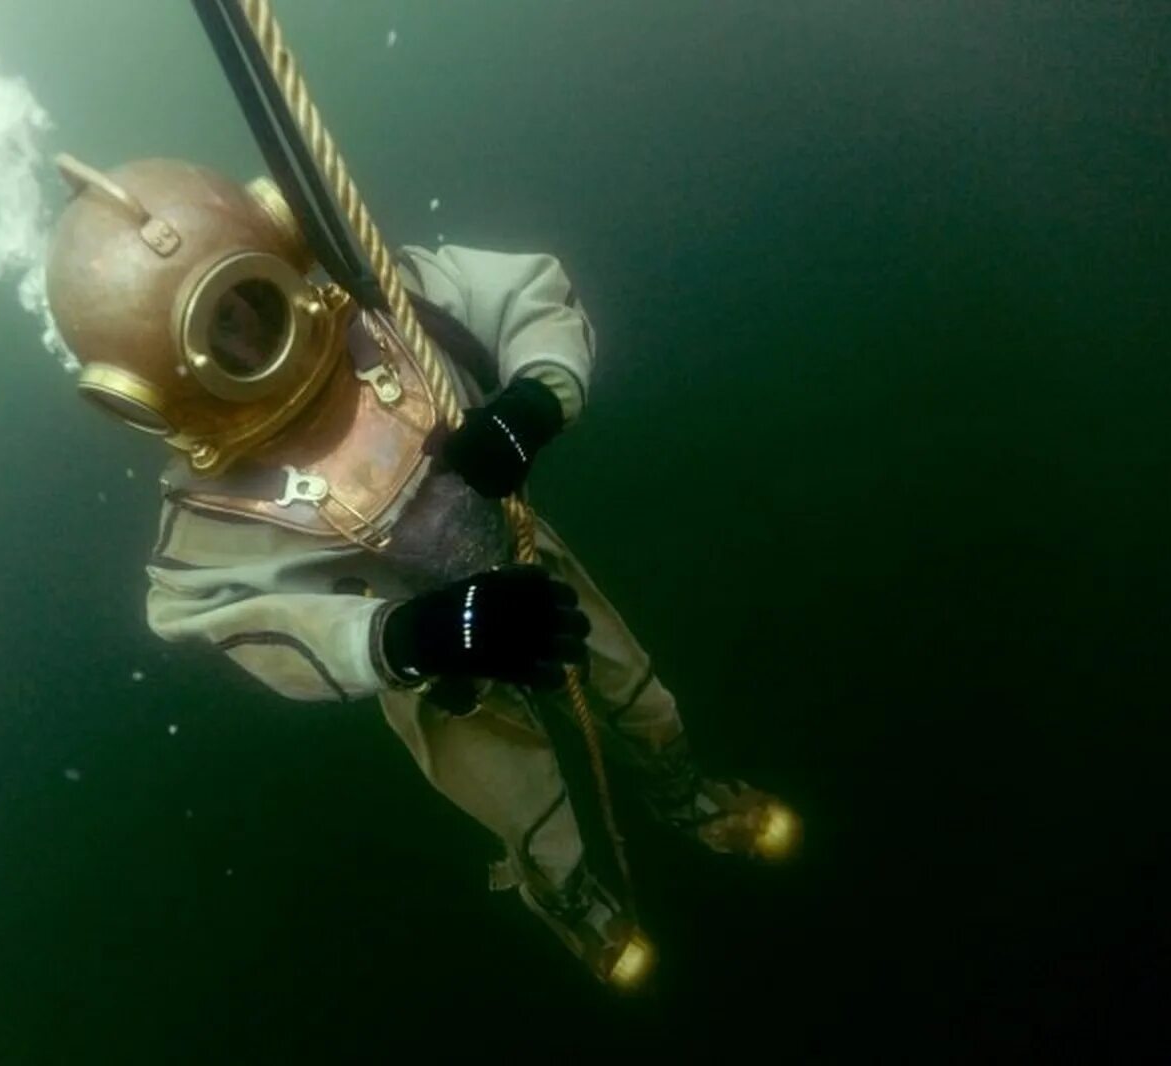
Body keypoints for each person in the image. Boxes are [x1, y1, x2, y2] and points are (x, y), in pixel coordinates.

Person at [43, 153, 801, 992]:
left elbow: (524, 295)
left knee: (630, 685)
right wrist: (410, 634)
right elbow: (204, 611)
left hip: (517, 552)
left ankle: (679, 785)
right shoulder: (214, 509)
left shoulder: (389, 310)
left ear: (280, 251)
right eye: (219, 335)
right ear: (151, 392)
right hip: (432, 671)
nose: (250, 341)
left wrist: (533, 405)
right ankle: (567, 890)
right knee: (515, 795)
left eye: (249, 304)